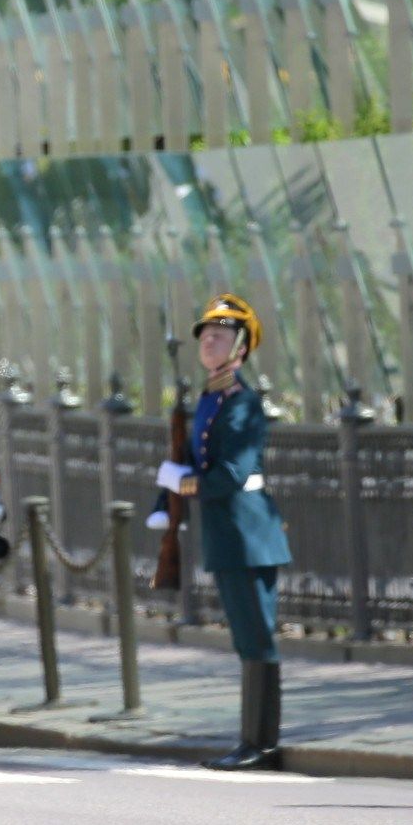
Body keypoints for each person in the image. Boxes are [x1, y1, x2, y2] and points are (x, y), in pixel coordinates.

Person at [152, 294, 293, 770]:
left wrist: (183, 484)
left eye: (221, 334)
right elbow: (194, 459)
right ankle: (252, 739)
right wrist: (165, 496)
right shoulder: (211, 400)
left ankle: (261, 743)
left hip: (249, 533)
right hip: (226, 535)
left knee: (257, 639)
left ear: (241, 349)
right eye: (205, 335)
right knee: (244, 640)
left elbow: (230, 474)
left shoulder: (242, 404)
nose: (209, 340)